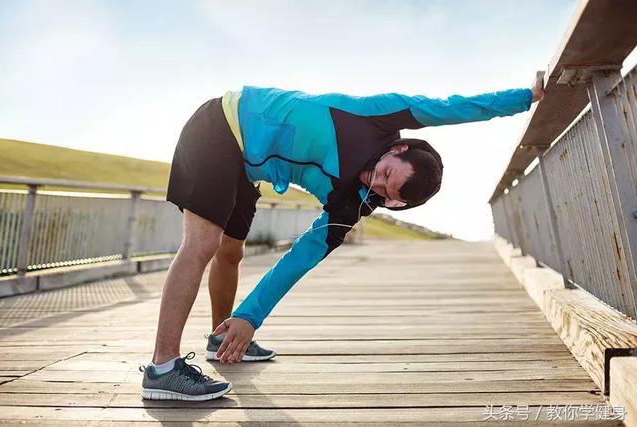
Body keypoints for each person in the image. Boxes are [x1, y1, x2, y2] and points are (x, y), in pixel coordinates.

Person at [139, 72, 546, 401]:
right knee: (203, 244)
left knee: (231, 253)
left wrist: (250, 316)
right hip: (222, 123)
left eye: (387, 194)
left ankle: (222, 337)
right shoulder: (377, 118)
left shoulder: (352, 205)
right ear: (398, 148)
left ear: (396, 206)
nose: (377, 183)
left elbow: (299, 258)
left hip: (245, 168)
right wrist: (524, 97)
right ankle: (163, 367)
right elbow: (450, 108)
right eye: (386, 174)